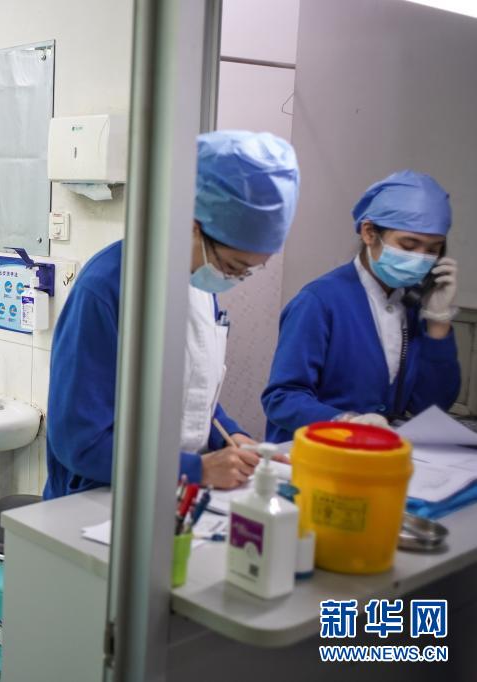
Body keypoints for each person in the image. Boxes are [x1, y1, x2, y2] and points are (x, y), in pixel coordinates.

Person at [44, 130, 300, 499]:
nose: (233, 279)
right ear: (192, 226)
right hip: (98, 500)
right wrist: (198, 469)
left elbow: (189, 390)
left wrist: (232, 436)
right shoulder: (106, 289)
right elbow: (78, 443)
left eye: (248, 270)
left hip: (175, 492)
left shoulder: (200, 283)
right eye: (233, 266)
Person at [262, 170, 461, 442]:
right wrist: (345, 422)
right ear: (369, 233)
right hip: (316, 451)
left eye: (433, 250)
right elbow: (281, 398)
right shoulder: (319, 302)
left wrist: (438, 321)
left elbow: (432, 406)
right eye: (408, 245)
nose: (420, 258)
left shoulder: (413, 307)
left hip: (378, 454)